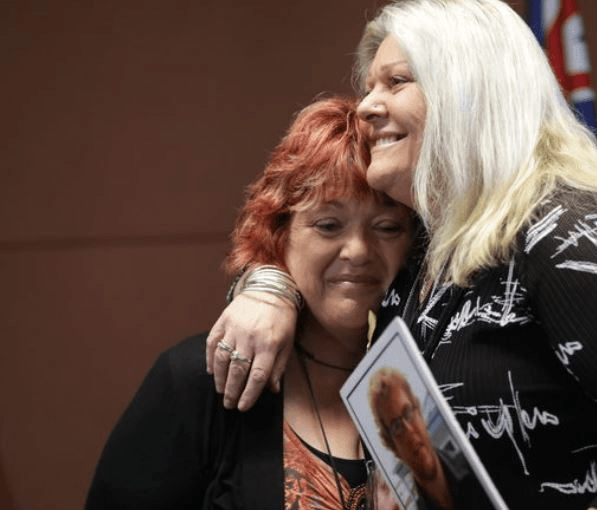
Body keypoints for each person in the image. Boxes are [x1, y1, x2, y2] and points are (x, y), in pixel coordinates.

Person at [205, 1, 597, 508]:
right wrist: (268, 285)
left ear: (471, 92)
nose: (367, 107)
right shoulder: (436, 250)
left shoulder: (570, 227)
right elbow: (331, 259)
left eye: (397, 81)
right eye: (370, 85)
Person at [85, 96, 414, 509]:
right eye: (328, 225)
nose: (359, 251)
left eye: (387, 227)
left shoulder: (433, 375)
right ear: (281, 233)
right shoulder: (205, 377)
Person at [367, 367, 490, 510]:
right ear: (392, 446)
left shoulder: (476, 467)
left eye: (408, 413)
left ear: (418, 411)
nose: (409, 430)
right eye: (397, 426)